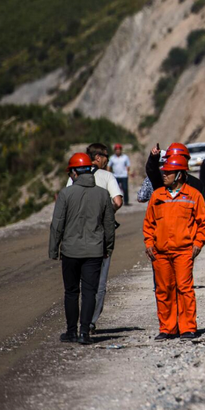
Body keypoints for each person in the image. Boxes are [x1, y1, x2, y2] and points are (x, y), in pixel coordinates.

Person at [50, 154, 116, 345]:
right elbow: (109, 226)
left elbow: (57, 225)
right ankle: (85, 332)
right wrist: (108, 248)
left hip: (70, 251)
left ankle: (71, 332)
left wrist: (54, 250)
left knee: (71, 292)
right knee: (89, 292)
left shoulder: (65, 194)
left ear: (74, 172)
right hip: (95, 252)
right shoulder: (103, 195)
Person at [143, 154, 205, 340]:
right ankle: (167, 329)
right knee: (163, 291)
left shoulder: (193, 195)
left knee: (184, 289)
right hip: (160, 253)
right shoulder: (157, 195)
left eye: (169, 172)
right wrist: (149, 243)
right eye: (164, 172)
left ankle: (188, 328)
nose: (164, 175)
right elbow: (148, 223)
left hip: (183, 252)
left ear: (179, 175)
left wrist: (198, 244)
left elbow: (204, 222)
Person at [66, 143, 123, 334]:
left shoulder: (73, 177)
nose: (107, 159)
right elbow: (117, 201)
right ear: (97, 157)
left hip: (74, 236)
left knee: (74, 287)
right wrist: (105, 213)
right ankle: (89, 323)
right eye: (105, 156)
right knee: (97, 284)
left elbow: (66, 202)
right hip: (100, 235)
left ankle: (73, 328)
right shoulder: (107, 176)